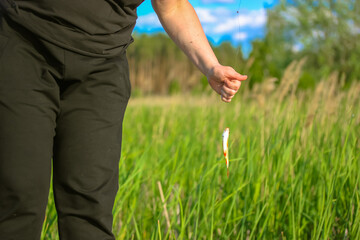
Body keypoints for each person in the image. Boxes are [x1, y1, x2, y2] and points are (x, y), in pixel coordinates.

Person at [0, 0, 247, 239]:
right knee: (18, 198)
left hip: (102, 67)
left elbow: (172, 5)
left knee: (90, 208)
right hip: (23, 46)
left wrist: (211, 66)